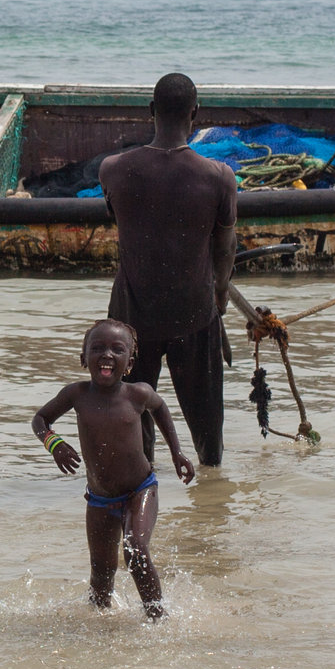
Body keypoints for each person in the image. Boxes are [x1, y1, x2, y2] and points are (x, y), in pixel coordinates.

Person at [94, 71, 237, 465]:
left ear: (151, 111)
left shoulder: (113, 170)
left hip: (130, 320)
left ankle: (140, 507)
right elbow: (224, 250)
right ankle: (213, 509)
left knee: (134, 440)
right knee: (209, 441)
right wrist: (220, 301)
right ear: (196, 114)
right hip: (194, 315)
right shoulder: (219, 178)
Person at [32, 319, 197, 618]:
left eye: (117, 350)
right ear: (84, 358)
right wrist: (54, 444)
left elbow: (159, 407)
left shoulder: (137, 395)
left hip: (140, 489)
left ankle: (158, 618)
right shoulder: (77, 395)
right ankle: (101, 627)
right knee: (101, 573)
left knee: (134, 549)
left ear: (130, 362)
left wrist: (178, 453)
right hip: (99, 499)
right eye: (97, 348)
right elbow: (40, 420)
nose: (107, 355)